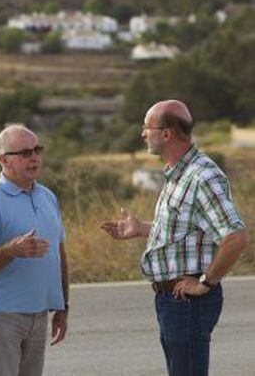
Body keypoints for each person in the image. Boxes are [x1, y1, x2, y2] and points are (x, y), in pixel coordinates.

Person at [101, 100, 248, 376]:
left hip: (188, 303)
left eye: (147, 127)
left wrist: (205, 282)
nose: (143, 133)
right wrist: (142, 229)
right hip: (172, 301)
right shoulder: (179, 174)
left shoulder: (201, 176)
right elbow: (188, 229)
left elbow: (236, 236)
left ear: (166, 133)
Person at [0, 124, 69, 376]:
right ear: (3, 160)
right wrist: (11, 250)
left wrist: (62, 306)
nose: (34, 157)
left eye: (37, 149)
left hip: (39, 314)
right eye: (24, 153)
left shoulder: (47, 197)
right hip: (0, 316)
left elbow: (59, 255)